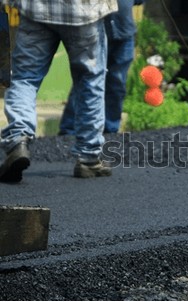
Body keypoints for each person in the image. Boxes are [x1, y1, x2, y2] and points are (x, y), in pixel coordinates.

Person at [0, 0, 118, 182]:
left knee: (24, 77)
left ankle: (18, 138)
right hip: (85, 11)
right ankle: (88, 157)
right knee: (90, 80)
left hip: (36, 9)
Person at [59, 0, 144, 135]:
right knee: (85, 79)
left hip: (123, 31)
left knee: (117, 84)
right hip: (94, 31)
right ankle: (69, 129)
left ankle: (110, 130)